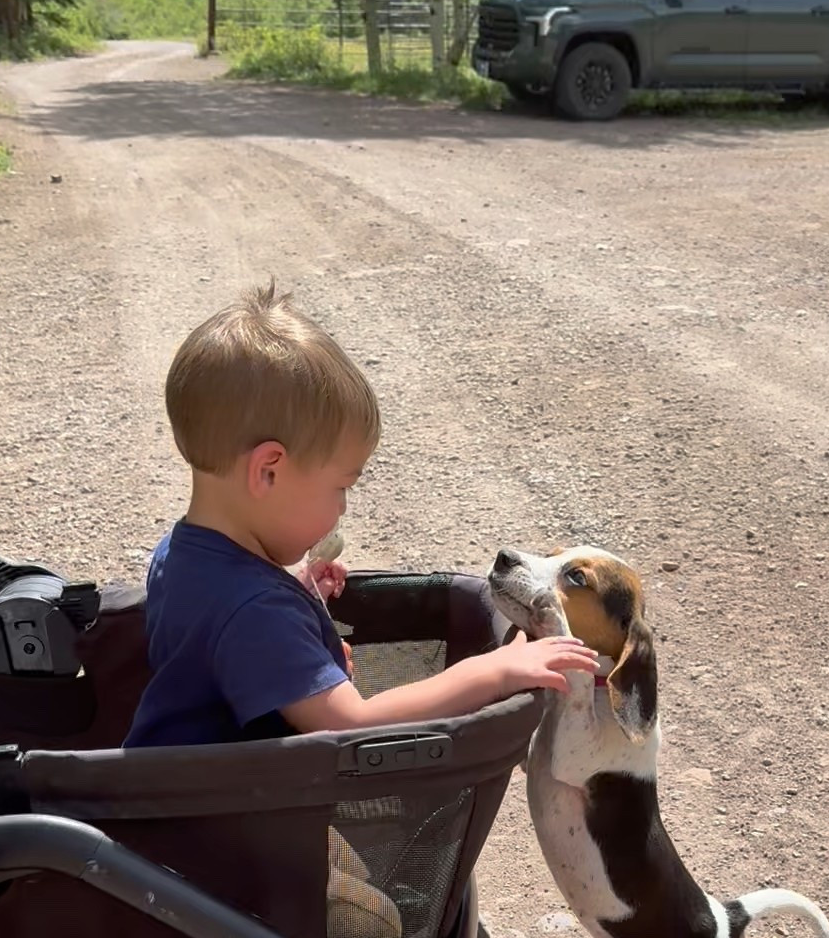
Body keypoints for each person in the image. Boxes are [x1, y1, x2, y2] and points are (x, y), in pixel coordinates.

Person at [125, 280, 598, 750]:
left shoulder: (181, 553)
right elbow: (353, 723)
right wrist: (492, 672)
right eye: (340, 487)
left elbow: (218, 641)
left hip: (183, 802)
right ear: (268, 472)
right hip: (225, 819)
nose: (343, 507)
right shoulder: (257, 616)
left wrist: (296, 593)